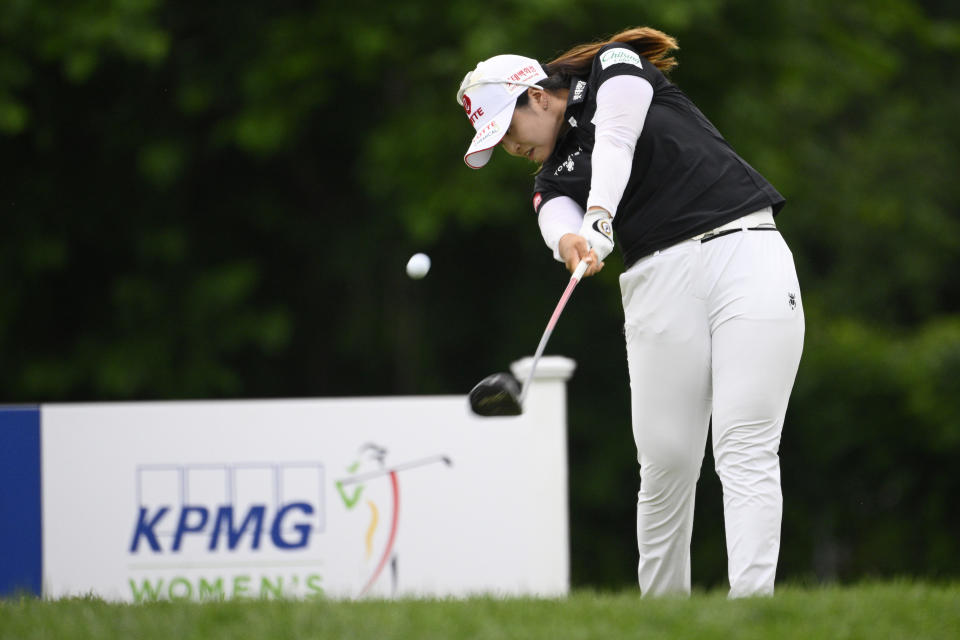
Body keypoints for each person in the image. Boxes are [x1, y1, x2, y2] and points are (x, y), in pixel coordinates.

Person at [457, 27, 805, 598]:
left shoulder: (614, 69)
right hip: (656, 282)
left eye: (508, 128)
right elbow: (555, 221)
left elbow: (616, 139)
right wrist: (572, 242)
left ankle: (753, 612)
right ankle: (663, 617)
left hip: (745, 250)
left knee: (744, 445)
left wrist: (599, 215)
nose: (509, 148)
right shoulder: (549, 178)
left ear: (537, 96)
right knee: (666, 464)